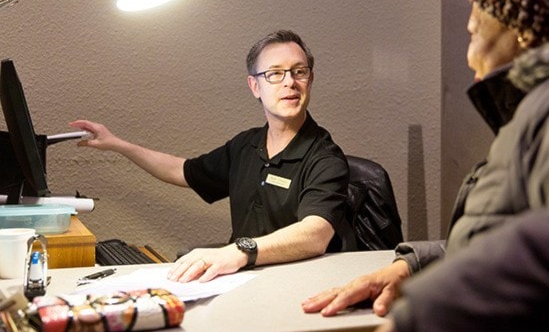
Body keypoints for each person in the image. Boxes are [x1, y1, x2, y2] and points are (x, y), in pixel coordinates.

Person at [303, 0, 549, 332]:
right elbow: (511, 230)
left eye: (474, 34)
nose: (470, 57)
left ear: (521, 28)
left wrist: (428, 318)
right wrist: (414, 265)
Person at [71, 29, 354, 283]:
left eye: (299, 72)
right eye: (275, 73)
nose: (290, 82)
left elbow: (316, 233)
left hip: (298, 290)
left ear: (310, 80)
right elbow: (183, 171)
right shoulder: (247, 145)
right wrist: (118, 144)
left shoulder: (325, 157)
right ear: (255, 86)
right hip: (245, 282)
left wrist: (240, 251)